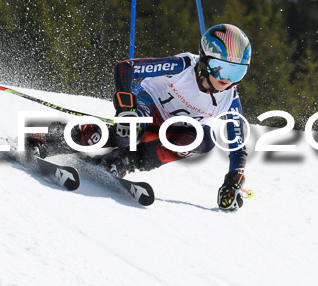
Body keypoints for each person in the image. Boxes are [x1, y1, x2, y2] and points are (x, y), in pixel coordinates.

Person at [34, 23, 251, 211]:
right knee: (128, 132)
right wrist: (125, 106)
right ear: (204, 61)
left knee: (204, 140)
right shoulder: (183, 65)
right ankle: (54, 141)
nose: (227, 81)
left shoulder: (230, 99)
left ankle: (125, 161)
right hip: (148, 105)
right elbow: (126, 67)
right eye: (221, 69)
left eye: (237, 73)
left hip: (172, 129)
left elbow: (238, 145)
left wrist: (233, 180)